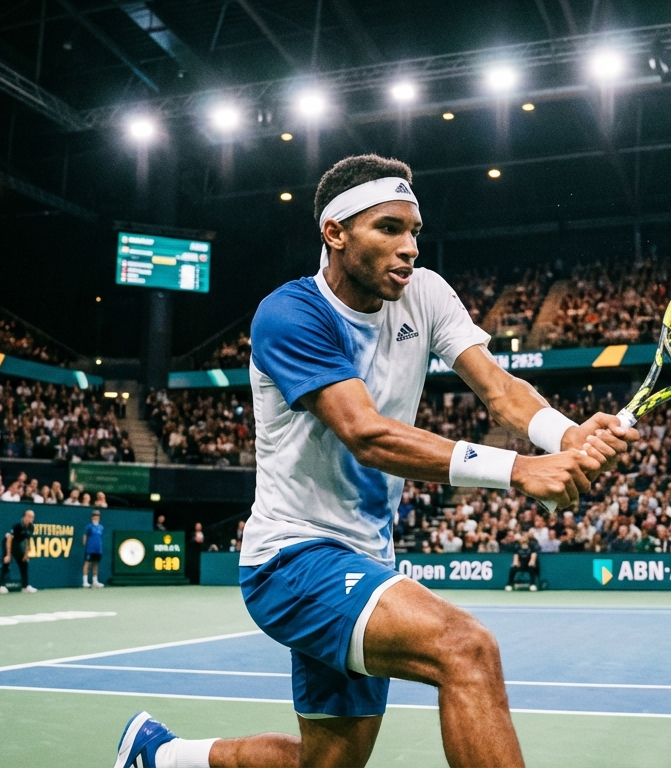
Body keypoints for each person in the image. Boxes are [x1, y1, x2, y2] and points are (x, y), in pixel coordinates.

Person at [115, 154, 636, 768]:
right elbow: (367, 435)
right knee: (466, 650)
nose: (410, 247)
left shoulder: (427, 294)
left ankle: (162, 757)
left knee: (329, 763)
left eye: (414, 230)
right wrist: (518, 471)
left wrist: (565, 434)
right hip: (292, 558)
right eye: (389, 228)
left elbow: (499, 388)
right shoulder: (290, 315)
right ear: (335, 233)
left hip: (366, 557)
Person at [0, 509, 36, 594]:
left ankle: (25, 587)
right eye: (29, 516)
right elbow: (9, 539)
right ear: (24, 517)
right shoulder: (17, 525)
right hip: (7, 543)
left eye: (32, 517)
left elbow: (28, 540)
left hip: (17, 545)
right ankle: (1, 586)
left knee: (24, 563)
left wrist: (26, 554)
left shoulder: (31, 527)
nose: (30, 518)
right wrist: (8, 554)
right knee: (6, 562)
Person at [83, 510, 105, 588]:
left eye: (97, 515)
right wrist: (86, 546)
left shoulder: (101, 527)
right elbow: (85, 537)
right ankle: (85, 582)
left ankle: (95, 581)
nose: (96, 516)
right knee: (87, 563)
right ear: (92, 517)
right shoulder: (88, 526)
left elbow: (100, 537)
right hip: (90, 549)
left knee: (96, 564)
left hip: (98, 549)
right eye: (94, 515)